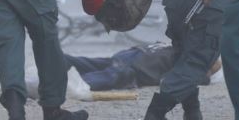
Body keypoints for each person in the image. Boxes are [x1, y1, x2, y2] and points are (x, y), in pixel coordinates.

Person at [64, 42, 221, 92]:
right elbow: (196, 78)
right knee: (108, 76)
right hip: (137, 67)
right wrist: (206, 75)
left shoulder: (183, 48)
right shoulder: (189, 62)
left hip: (132, 54)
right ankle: (62, 85)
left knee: (93, 64)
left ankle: (59, 60)